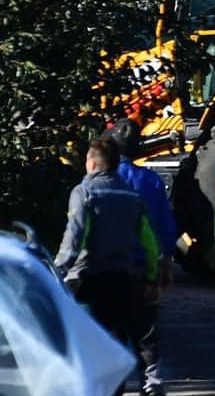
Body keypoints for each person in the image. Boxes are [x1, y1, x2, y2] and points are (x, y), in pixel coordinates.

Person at [54, 136, 157, 379]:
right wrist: (151, 277)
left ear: (91, 163)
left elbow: (76, 237)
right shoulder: (133, 197)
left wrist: (58, 269)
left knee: (86, 348)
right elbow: (149, 243)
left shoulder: (85, 192)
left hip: (91, 282)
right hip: (126, 280)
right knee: (116, 346)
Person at [108, 120, 174, 396]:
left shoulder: (102, 180)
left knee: (111, 331)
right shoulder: (151, 181)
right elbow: (165, 226)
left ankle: (112, 389)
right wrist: (165, 263)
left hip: (109, 268)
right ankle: (151, 384)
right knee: (146, 332)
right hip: (143, 268)